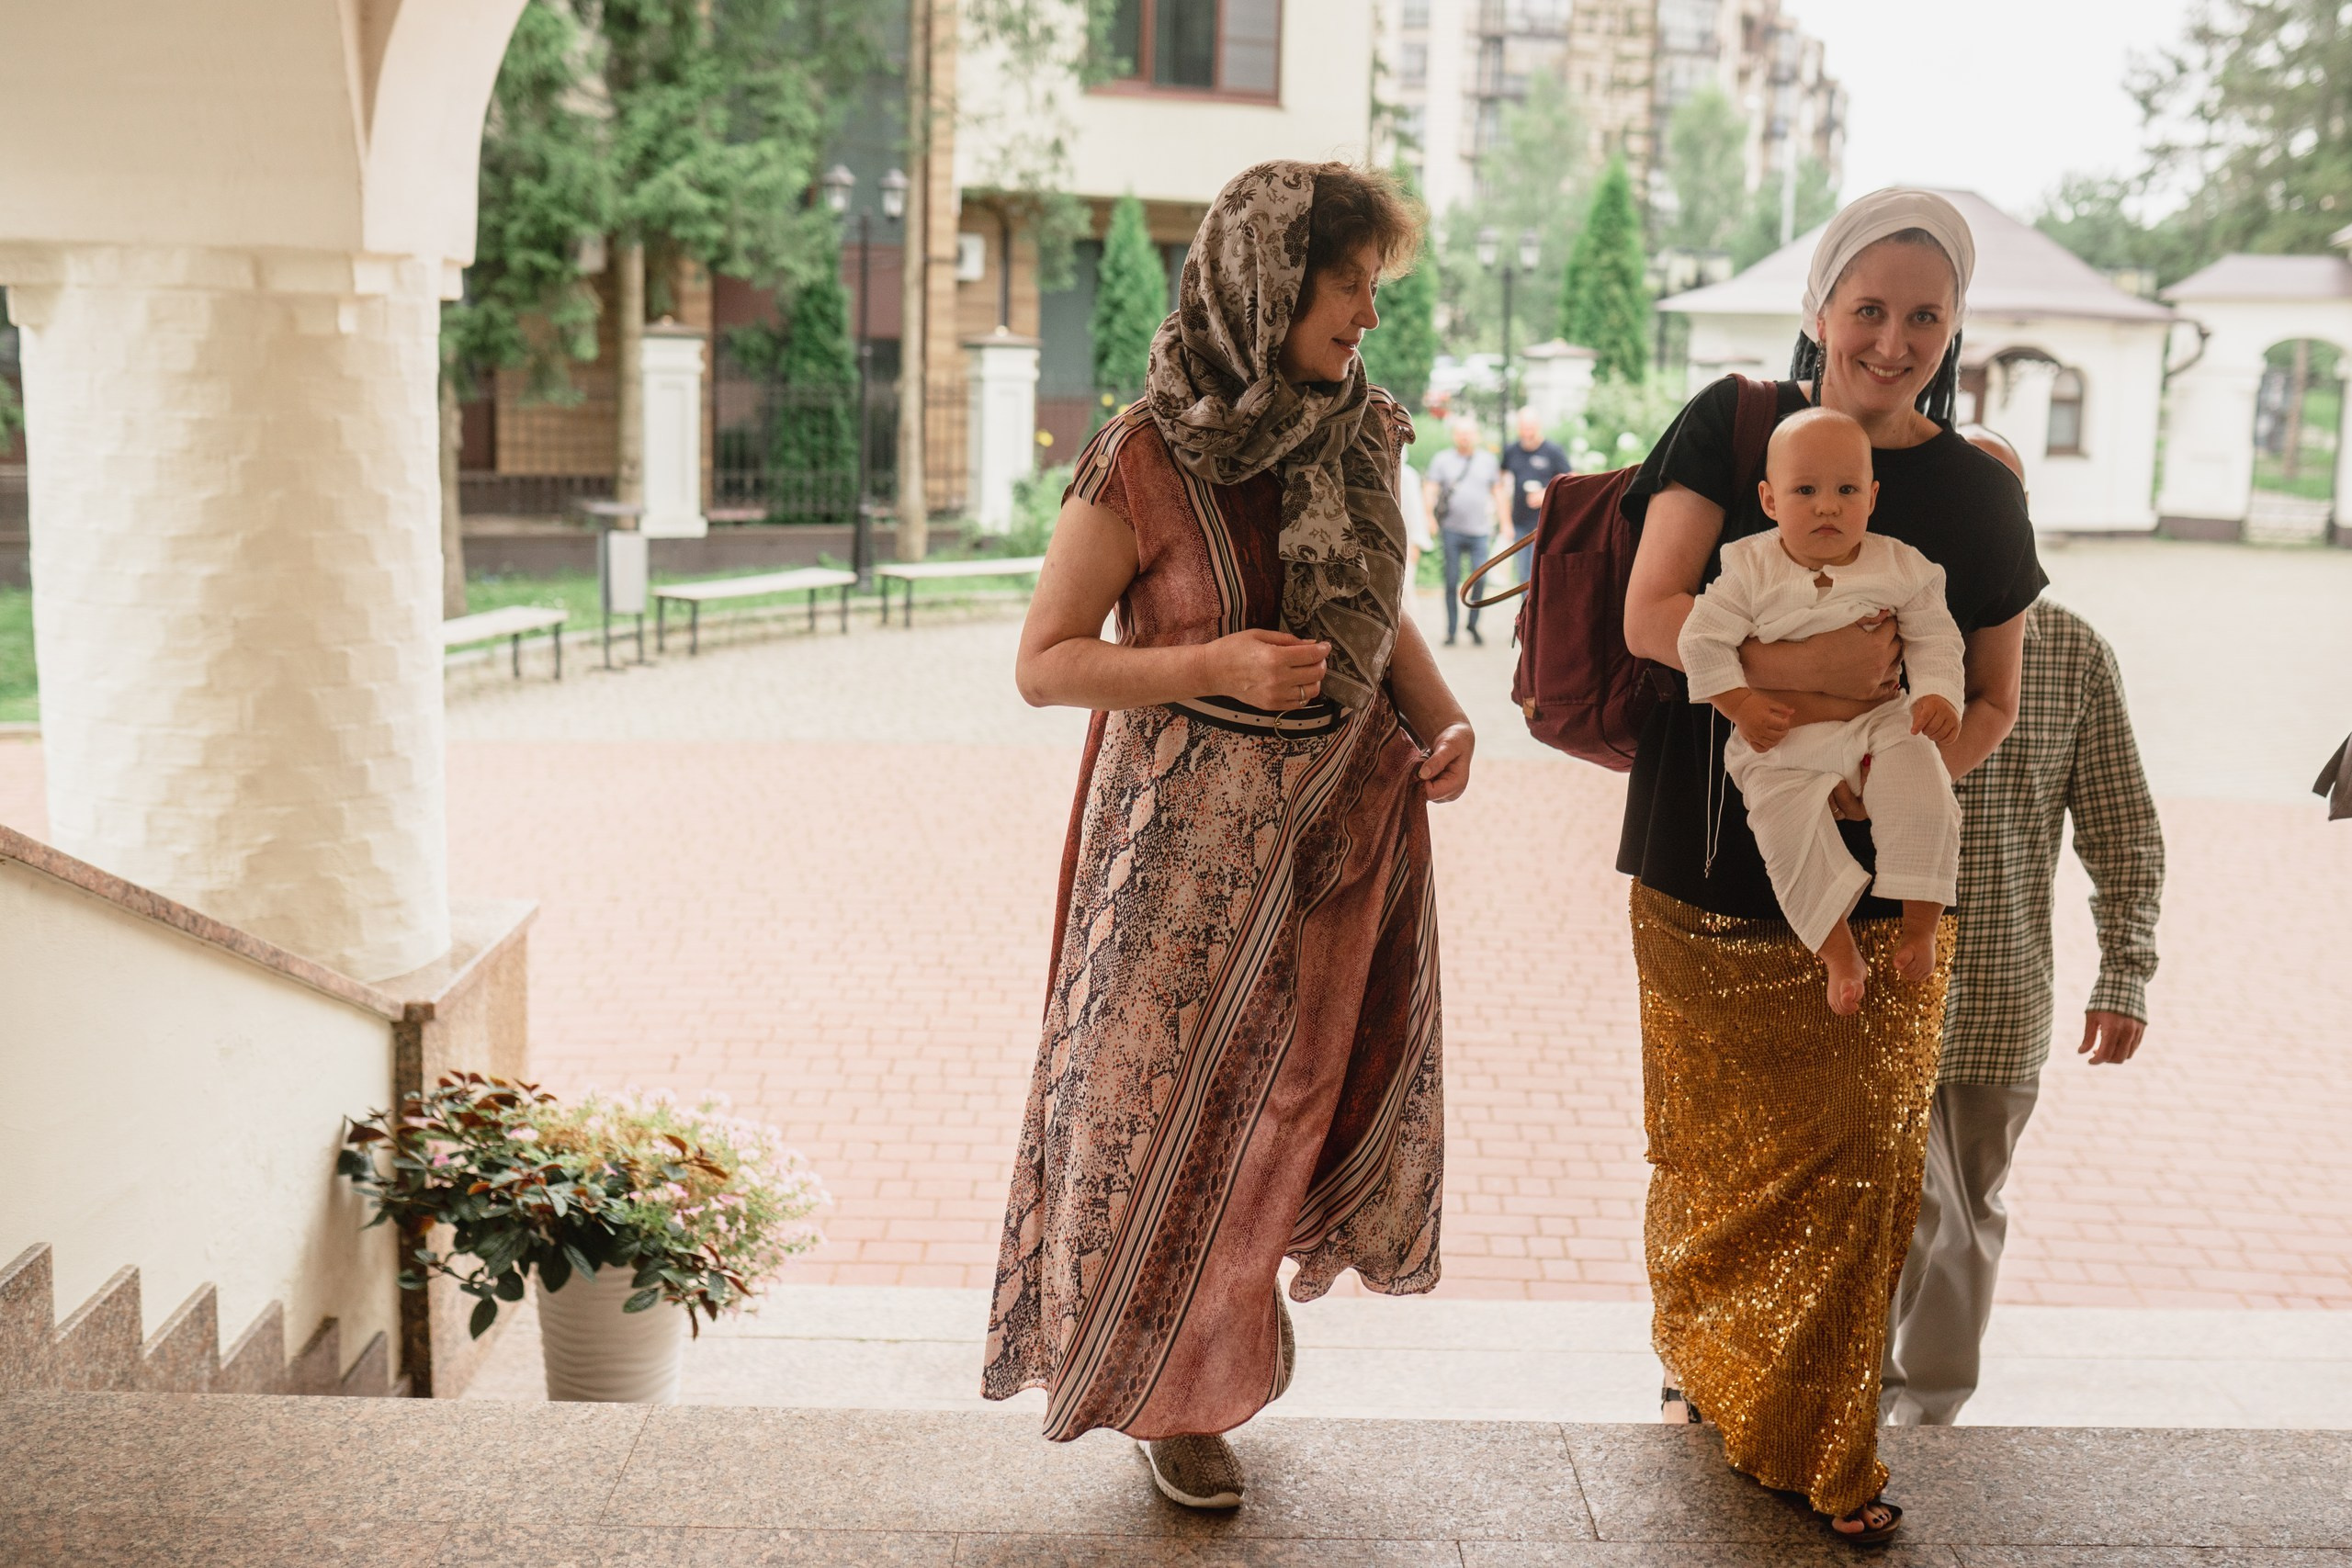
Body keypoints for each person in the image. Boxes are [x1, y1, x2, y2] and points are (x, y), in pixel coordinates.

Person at [984, 160, 1476, 1513]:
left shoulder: (1363, 432)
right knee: (1162, 1113)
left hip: (1338, 841)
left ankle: (1222, 1328)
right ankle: (1171, 1391)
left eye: (1378, 287)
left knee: (1287, 1113)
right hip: (1180, 864)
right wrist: (1207, 667)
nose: (1368, 313)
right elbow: (1045, 662)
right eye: (1346, 283)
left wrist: (1440, 719)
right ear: (1267, 283)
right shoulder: (1144, 450)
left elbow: (1384, 615)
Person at [1618, 188, 2043, 1544]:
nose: (1894, 337)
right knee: (1713, 1174)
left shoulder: (1976, 491)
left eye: (1927, 313)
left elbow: (1993, 700)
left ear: (1957, 326)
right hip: (1704, 869)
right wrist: (1810, 679)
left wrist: (1892, 773)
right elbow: (1651, 613)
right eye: (1870, 307)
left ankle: (1831, 1451)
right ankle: (1728, 1399)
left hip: (1890, 890)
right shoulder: (1732, 427)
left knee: (1866, 1181)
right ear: (1819, 310)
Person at [1881, 427, 2165, 1426]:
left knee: (1963, 1222)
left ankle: (1930, 1421)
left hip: (1998, 990)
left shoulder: (2071, 650)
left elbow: (2124, 826)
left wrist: (2125, 973)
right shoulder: (1869, 629)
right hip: (1870, 980)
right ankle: (1845, 1407)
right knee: (1880, 1214)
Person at [1679, 407, 1966, 1015]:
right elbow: (1700, 640)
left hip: (1880, 722)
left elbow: (1936, 637)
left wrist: (1939, 692)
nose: (1828, 506)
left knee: (1925, 786)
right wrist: (1741, 703)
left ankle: (1921, 923)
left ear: (1872, 497)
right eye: (1805, 491)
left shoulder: (1900, 566)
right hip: (1782, 739)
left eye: (1846, 490)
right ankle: (1837, 950)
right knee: (1782, 834)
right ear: (1770, 498)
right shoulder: (1749, 568)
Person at [1423, 417, 1500, 644]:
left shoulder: (1488, 460)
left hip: (1480, 532)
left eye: (1469, 433)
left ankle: (1473, 624)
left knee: (1481, 578)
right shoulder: (1442, 460)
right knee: (1451, 580)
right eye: (1460, 432)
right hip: (1451, 530)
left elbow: (1498, 491)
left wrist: (1505, 522)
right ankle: (1451, 630)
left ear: (1476, 435)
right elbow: (1430, 489)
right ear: (1455, 436)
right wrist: (1429, 516)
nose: (1464, 437)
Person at [1496, 407, 1570, 585]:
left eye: (1530, 428)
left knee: (1540, 575)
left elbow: (1572, 481)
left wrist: (1546, 494)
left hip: (1546, 524)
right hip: (1520, 523)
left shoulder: (1553, 451)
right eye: (1523, 428)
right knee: (1524, 577)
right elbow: (1500, 484)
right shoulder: (1511, 451)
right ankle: (1527, 613)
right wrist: (1505, 522)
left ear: (1538, 427)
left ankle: (1539, 612)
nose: (1526, 432)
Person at [1400, 449, 1435, 586]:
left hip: (1406, 541)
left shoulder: (1408, 476)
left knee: (1405, 589)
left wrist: (1415, 543)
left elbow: (1415, 512)